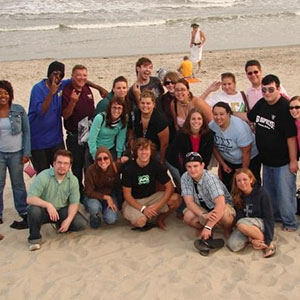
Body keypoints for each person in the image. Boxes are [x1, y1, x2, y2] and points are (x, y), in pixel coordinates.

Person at [241, 74, 298, 231]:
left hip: (283, 161)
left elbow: (291, 138)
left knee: (285, 193)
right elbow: (249, 117)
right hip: (266, 160)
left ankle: (290, 222)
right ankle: (277, 217)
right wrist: (229, 115)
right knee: (270, 193)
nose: (267, 93)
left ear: (278, 89)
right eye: (264, 90)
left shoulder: (285, 108)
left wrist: (293, 161)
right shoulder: (262, 103)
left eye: (271, 90)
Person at [26, 149, 86, 251]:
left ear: (69, 166)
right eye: (59, 162)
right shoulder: (43, 176)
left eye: (65, 163)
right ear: (54, 163)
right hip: (43, 210)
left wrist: (68, 219)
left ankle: (60, 224)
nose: (62, 166)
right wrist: (48, 205)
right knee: (34, 211)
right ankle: (34, 239)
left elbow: (74, 203)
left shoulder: (73, 180)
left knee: (81, 223)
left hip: (61, 209)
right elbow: (30, 198)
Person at [122, 138, 181, 230]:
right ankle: (141, 217)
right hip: (134, 201)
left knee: (176, 199)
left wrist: (159, 205)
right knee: (141, 222)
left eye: (146, 149)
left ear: (151, 151)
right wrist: (143, 209)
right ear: (136, 152)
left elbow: (170, 187)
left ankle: (159, 219)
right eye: (141, 149)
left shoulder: (156, 165)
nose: (144, 152)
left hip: (151, 198)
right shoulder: (128, 167)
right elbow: (127, 196)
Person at [181, 152, 235, 239]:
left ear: (202, 165)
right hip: (204, 208)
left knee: (225, 214)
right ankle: (203, 229)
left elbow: (220, 205)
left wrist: (208, 227)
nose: (192, 170)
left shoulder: (210, 179)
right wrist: (204, 215)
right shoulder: (185, 177)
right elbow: (189, 203)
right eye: (189, 167)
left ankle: (226, 230)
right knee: (188, 216)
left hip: (220, 207)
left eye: (195, 166)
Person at [209, 102, 260, 191]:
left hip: (249, 158)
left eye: (222, 114)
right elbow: (213, 147)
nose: (218, 117)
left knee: (248, 186)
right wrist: (223, 164)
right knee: (229, 187)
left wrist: (243, 171)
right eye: (215, 114)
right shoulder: (212, 126)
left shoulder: (240, 128)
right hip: (229, 159)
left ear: (229, 114)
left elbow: (246, 152)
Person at [0, 80, 31, 229]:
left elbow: (26, 132)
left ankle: (23, 210)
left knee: (18, 184)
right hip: (0, 154)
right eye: (0, 93)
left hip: (16, 154)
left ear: (10, 94)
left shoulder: (18, 110)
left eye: (5, 93)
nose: (3, 96)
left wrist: (27, 152)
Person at [62, 64, 95, 198]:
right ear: (72, 77)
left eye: (84, 75)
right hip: (74, 135)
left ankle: (89, 191)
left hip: (88, 132)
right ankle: (77, 194)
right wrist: (72, 102)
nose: (82, 78)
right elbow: (65, 115)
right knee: (77, 167)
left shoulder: (86, 88)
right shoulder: (67, 91)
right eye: (79, 76)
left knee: (89, 164)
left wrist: (98, 87)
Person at [28, 61, 67, 173]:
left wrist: (98, 87)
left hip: (56, 139)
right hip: (38, 141)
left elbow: (78, 79)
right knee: (43, 175)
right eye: (55, 73)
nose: (57, 77)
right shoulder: (38, 89)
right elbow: (41, 112)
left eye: (60, 75)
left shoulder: (61, 86)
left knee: (61, 171)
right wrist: (51, 93)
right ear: (49, 73)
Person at [227, 168, 275, 258]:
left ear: (251, 180)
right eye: (239, 181)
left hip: (260, 223)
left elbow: (269, 218)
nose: (242, 183)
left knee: (241, 223)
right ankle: (254, 240)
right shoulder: (238, 195)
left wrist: (268, 238)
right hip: (246, 226)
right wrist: (251, 239)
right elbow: (239, 216)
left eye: (245, 179)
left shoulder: (262, 193)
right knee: (233, 245)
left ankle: (267, 244)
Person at [166, 107, 214, 187]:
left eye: (199, 119)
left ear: (203, 121)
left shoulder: (208, 135)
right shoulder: (181, 135)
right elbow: (179, 157)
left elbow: (206, 157)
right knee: (185, 185)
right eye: (193, 119)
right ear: (189, 121)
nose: (196, 121)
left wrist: (198, 172)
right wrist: (187, 173)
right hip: (177, 163)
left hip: (197, 164)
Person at [84, 147, 126, 228]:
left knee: (110, 219)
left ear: (110, 158)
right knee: (94, 207)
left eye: (106, 158)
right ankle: (95, 216)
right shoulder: (90, 170)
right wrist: (107, 198)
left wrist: (127, 158)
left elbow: (130, 165)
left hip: (110, 194)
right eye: (99, 159)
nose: (103, 161)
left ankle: (103, 211)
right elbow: (88, 191)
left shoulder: (115, 167)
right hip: (94, 196)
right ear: (96, 160)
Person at [128, 89, 169, 164]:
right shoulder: (134, 115)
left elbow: (164, 144)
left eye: (148, 103)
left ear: (153, 104)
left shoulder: (160, 120)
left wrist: (161, 160)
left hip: (156, 151)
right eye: (142, 103)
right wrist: (132, 146)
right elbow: (131, 133)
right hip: (139, 148)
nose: (145, 106)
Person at [88, 97, 127, 161]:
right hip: (95, 148)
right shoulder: (100, 118)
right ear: (110, 108)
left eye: (119, 108)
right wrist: (95, 156)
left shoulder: (123, 120)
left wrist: (118, 156)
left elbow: (121, 139)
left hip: (110, 149)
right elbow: (91, 139)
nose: (116, 111)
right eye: (114, 107)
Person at [158, 71, 180, 141]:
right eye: (167, 83)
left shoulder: (183, 96)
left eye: (173, 82)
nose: (170, 85)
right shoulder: (163, 99)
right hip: (169, 131)